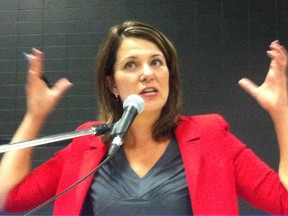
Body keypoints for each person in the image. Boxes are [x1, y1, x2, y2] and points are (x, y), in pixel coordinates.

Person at [0, 20, 288, 215]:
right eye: (131, 65)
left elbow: (283, 200)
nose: (147, 73)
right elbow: (8, 198)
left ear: (168, 75)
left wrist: (281, 112)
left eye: (156, 62)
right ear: (112, 83)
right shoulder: (86, 145)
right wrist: (34, 116)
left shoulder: (211, 135)